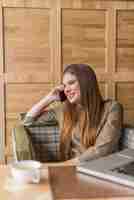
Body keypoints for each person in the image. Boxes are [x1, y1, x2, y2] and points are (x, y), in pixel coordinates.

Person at [23, 64, 123, 165]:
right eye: (64, 86)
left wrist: (61, 166)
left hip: (97, 170)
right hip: (69, 170)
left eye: (71, 83)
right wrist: (50, 98)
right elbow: (28, 121)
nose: (66, 90)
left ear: (86, 83)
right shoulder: (63, 111)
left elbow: (102, 150)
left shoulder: (112, 108)